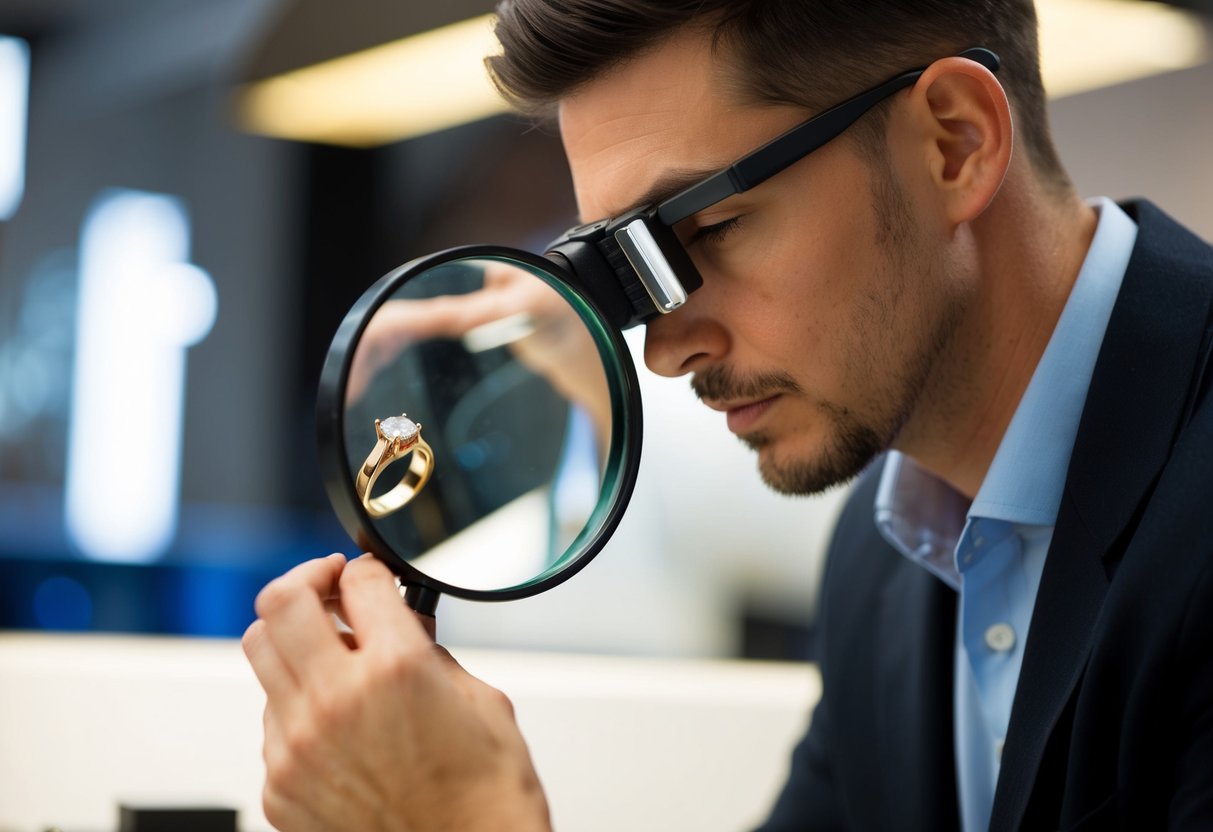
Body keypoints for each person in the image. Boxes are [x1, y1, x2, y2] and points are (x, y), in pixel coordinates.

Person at [242, 0, 1213, 829]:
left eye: (710, 226)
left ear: (952, 142)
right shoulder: (882, 562)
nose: (666, 352)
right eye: (626, 271)